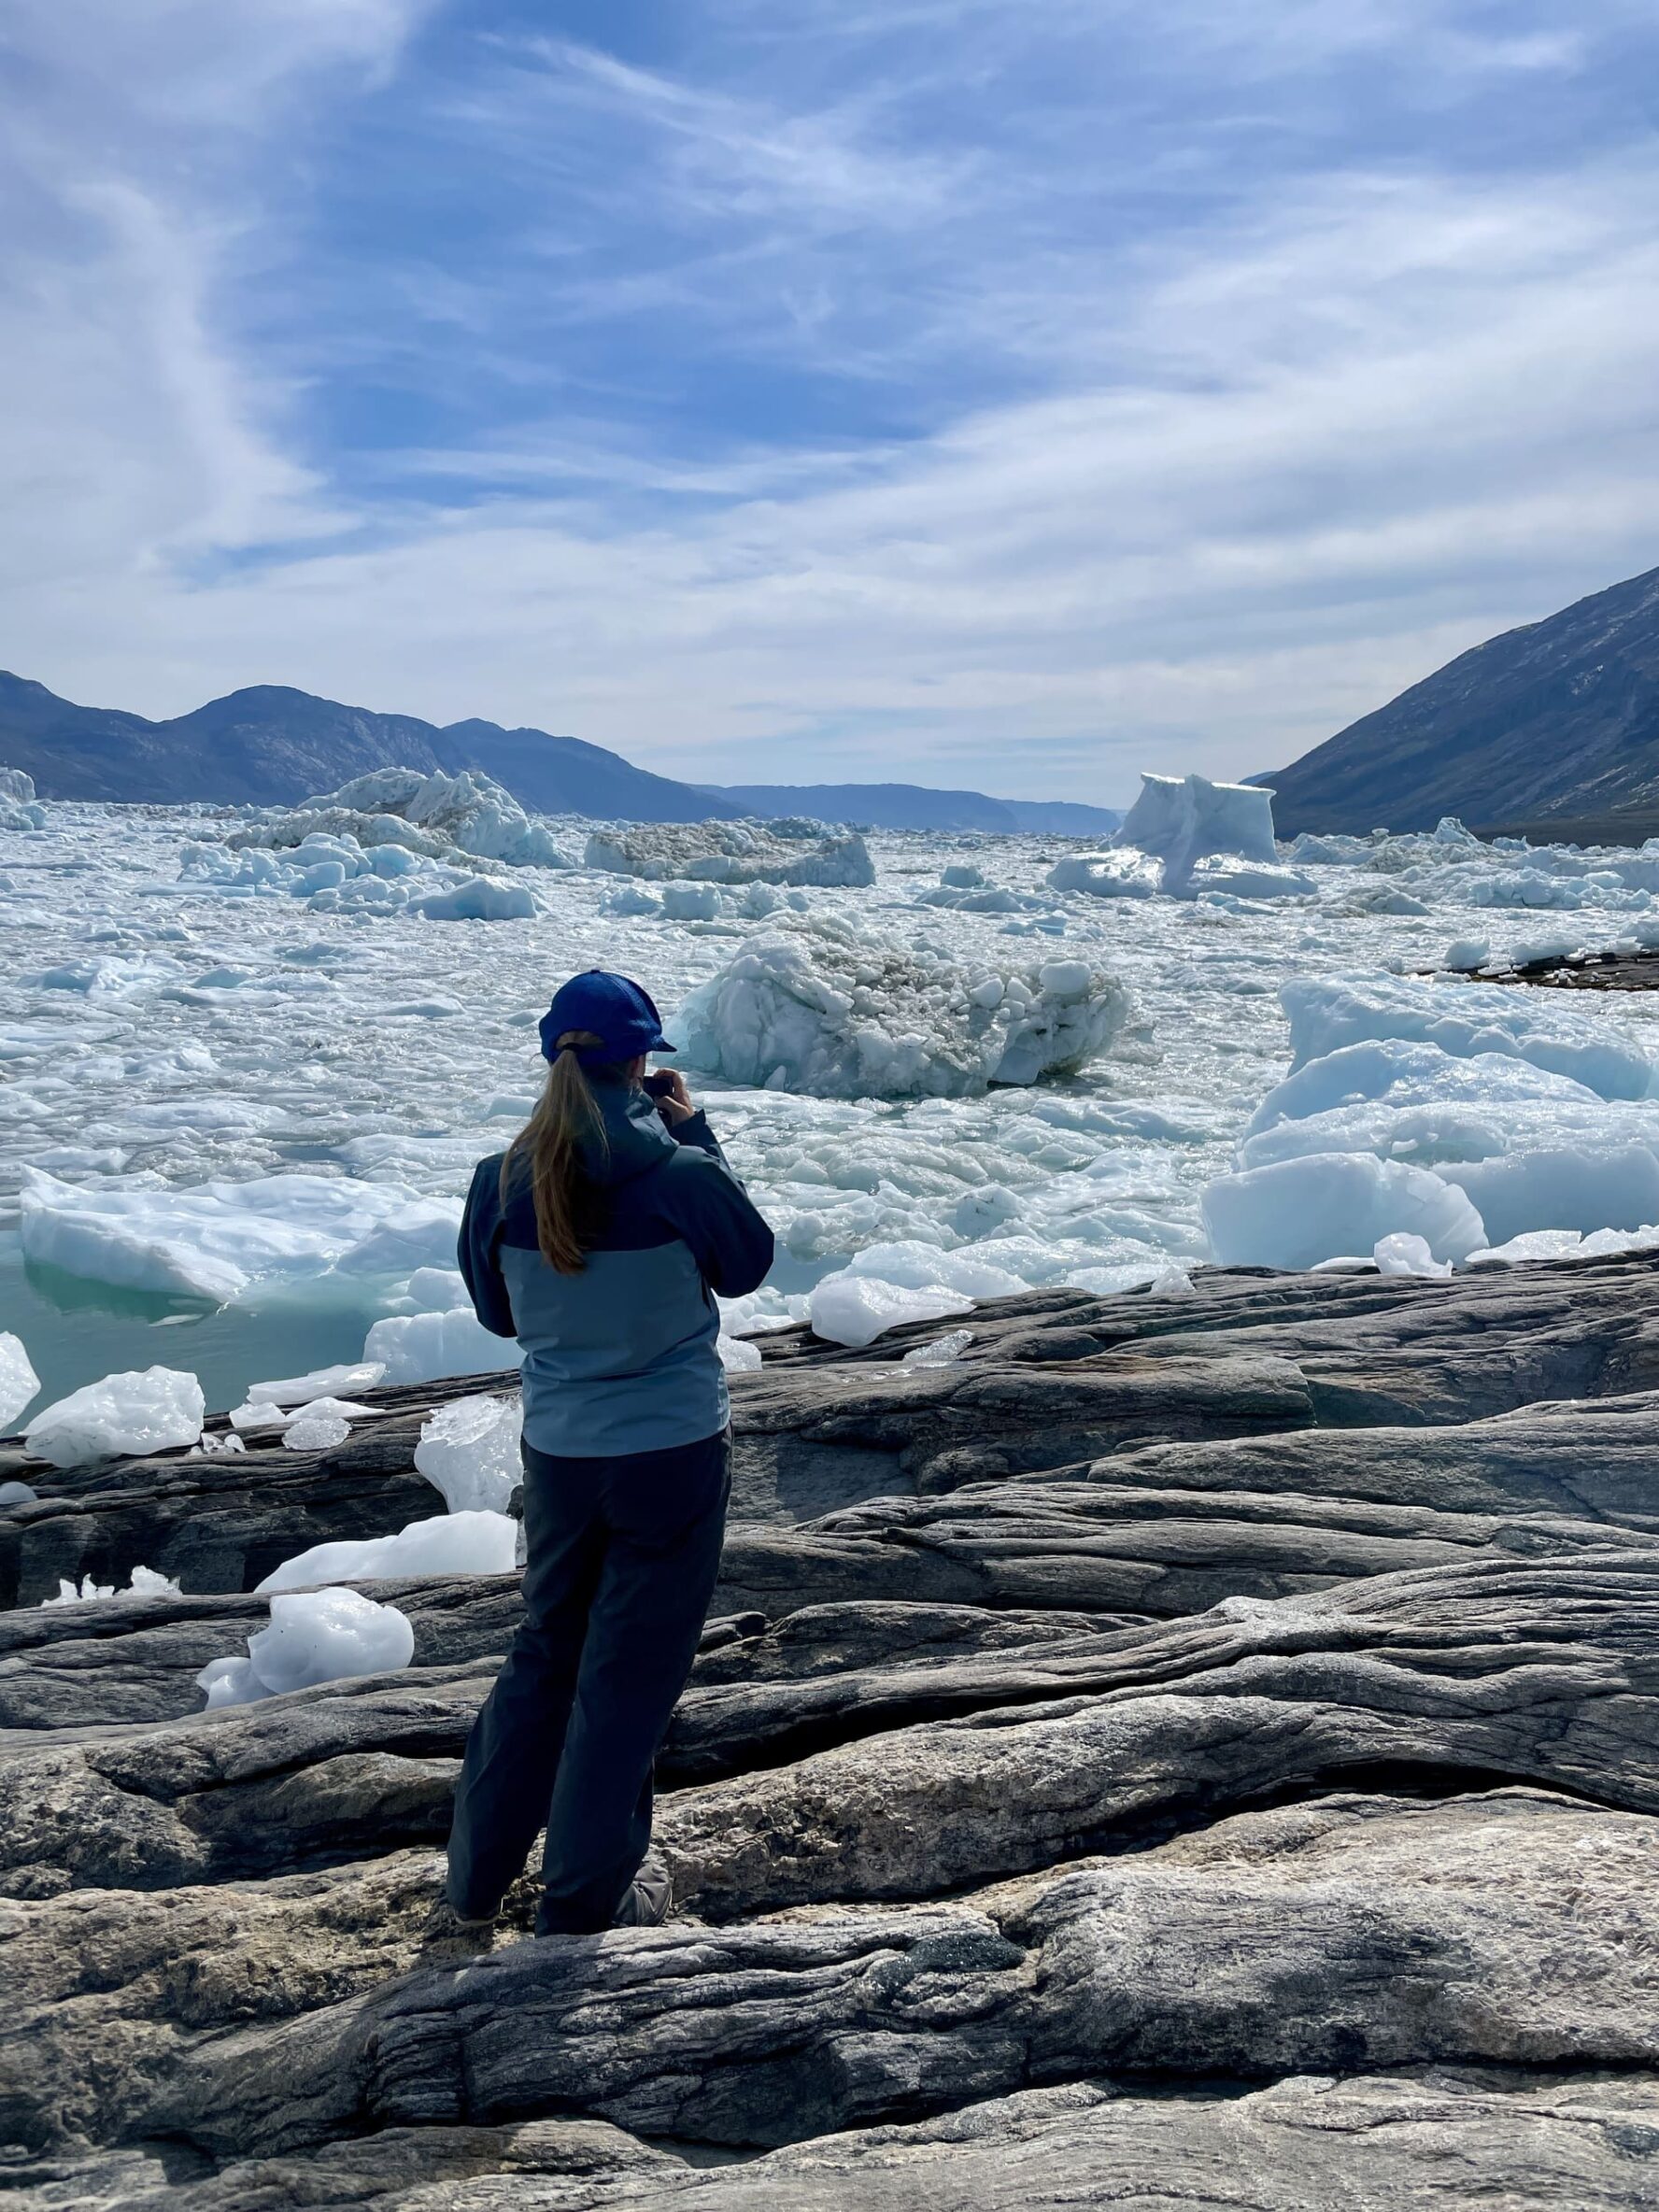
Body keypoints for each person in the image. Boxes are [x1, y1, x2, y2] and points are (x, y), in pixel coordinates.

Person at [438, 968, 774, 1941]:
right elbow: (747, 1266)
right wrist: (693, 1131)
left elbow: (499, 1314)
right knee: (627, 1673)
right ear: (644, 1062)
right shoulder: (678, 1173)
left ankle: (473, 1881)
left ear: (555, 1056)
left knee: (546, 1650)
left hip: (561, 1456)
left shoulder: (499, 1179)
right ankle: (586, 1897)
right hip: (670, 1451)